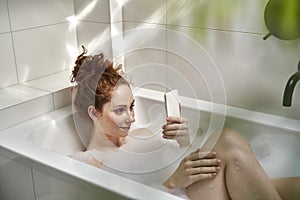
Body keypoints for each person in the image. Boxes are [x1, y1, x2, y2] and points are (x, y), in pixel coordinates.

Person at [71, 46, 299, 200]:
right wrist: (171, 184)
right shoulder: (88, 165)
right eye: (120, 110)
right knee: (227, 141)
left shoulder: (140, 135)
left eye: (131, 106)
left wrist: (183, 140)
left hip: (189, 192)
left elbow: (181, 160)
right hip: (175, 193)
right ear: (94, 113)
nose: (131, 117)